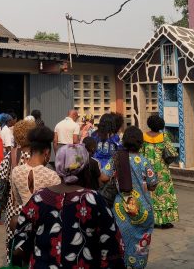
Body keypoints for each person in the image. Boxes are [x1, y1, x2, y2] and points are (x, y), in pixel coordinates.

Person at [13, 143, 125, 268]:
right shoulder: (93, 199)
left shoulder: (39, 198)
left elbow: (20, 243)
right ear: (85, 168)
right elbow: (112, 245)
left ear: (58, 167)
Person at [103, 126, 158, 269]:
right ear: (141, 143)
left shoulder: (116, 158)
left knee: (122, 241)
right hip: (143, 210)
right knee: (141, 243)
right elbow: (153, 184)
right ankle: (138, 265)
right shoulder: (144, 161)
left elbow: (103, 177)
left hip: (121, 211)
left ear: (125, 141)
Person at [0, 119, 36, 261]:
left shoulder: (11, 155)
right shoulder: (37, 156)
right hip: (33, 206)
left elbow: (1, 176)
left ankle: (11, 262)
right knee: (31, 242)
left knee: (12, 241)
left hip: (13, 206)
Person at [142, 114, 179, 228]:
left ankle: (151, 220)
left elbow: (140, 153)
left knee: (149, 195)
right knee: (164, 196)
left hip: (148, 171)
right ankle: (164, 221)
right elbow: (173, 152)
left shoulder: (143, 137)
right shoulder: (164, 137)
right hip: (162, 172)